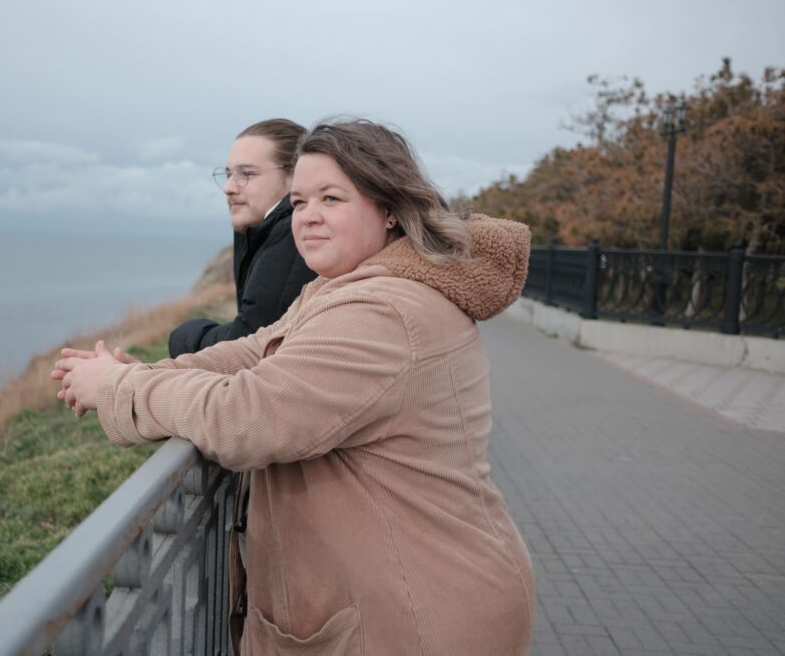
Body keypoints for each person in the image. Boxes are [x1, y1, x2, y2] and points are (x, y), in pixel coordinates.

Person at [54, 119, 535, 655]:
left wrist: (120, 389)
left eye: (331, 198)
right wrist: (142, 375)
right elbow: (255, 350)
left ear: (389, 208)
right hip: (414, 592)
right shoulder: (343, 286)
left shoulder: (385, 310)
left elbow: (249, 416)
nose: (308, 216)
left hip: (422, 614)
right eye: (300, 201)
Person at [168, 118, 316, 357]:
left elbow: (247, 345)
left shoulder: (292, 236)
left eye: (246, 173)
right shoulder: (264, 229)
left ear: (294, 177)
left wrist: (183, 337)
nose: (228, 187)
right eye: (228, 174)